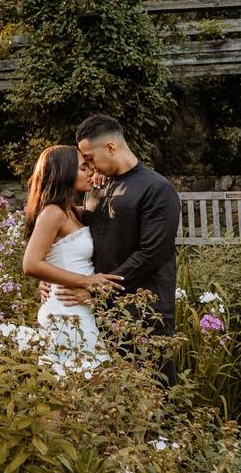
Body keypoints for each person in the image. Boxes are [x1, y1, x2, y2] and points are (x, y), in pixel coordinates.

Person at [40, 114, 181, 385]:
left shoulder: (157, 189)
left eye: (90, 158)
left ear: (111, 148)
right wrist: (51, 276)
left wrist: (95, 288)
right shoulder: (98, 188)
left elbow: (151, 254)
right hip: (98, 311)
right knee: (110, 397)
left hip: (145, 311)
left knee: (153, 389)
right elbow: (75, 235)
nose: (89, 167)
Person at [21, 145, 124, 372]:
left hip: (78, 309)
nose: (90, 171)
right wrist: (86, 281)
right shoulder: (52, 213)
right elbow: (30, 263)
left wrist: (101, 184)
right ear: (64, 173)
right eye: (82, 168)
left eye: (89, 166)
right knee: (71, 393)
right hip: (65, 312)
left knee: (85, 392)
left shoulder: (72, 211)